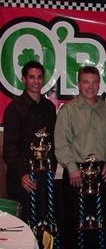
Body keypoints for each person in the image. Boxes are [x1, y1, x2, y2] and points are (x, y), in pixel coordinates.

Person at [54, 66, 106, 248]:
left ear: (99, 84)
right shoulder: (68, 110)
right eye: (86, 82)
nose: (91, 86)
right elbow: (61, 143)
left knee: (101, 221)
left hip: (102, 171)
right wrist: (72, 169)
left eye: (95, 82)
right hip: (76, 173)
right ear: (79, 84)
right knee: (74, 223)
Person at [3, 61, 56, 223]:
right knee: (24, 223)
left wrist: (51, 168)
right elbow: (9, 147)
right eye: (32, 77)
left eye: (40, 77)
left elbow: (53, 140)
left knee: (44, 221)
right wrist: (22, 174)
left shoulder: (49, 107)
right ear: (23, 79)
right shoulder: (14, 108)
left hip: (44, 175)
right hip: (23, 177)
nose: (36, 81)